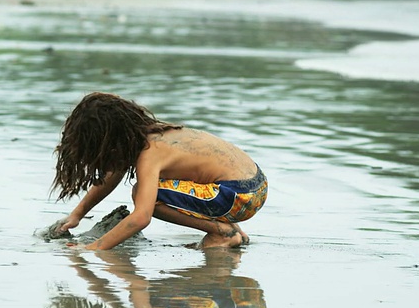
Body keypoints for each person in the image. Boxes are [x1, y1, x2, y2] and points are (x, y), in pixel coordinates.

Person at [51, 92, 268, 250]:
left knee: (143, 194)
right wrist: (77, 214)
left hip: (235, 196)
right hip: (255, 186)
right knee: (153, 190)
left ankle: (223, 233)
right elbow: (114, 174)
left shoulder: (150, 152)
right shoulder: (153, 133)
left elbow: (141, 217)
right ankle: (235, 233)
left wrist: (94, 248)